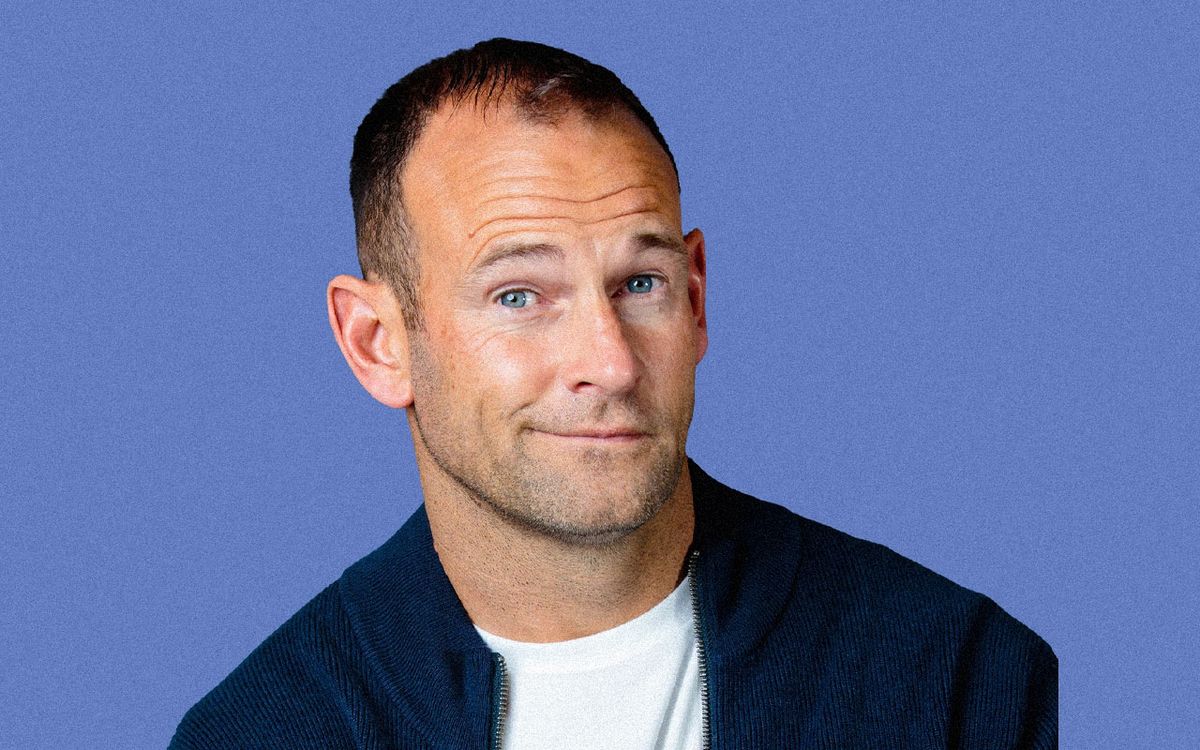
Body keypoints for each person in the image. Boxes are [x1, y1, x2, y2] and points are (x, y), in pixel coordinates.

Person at [171, 38, 1057, 749]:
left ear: (697, 300)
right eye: (519, 296)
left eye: (640, 284)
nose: (612, 362)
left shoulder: (956, 679)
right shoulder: (265, 732)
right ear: (378, 343)